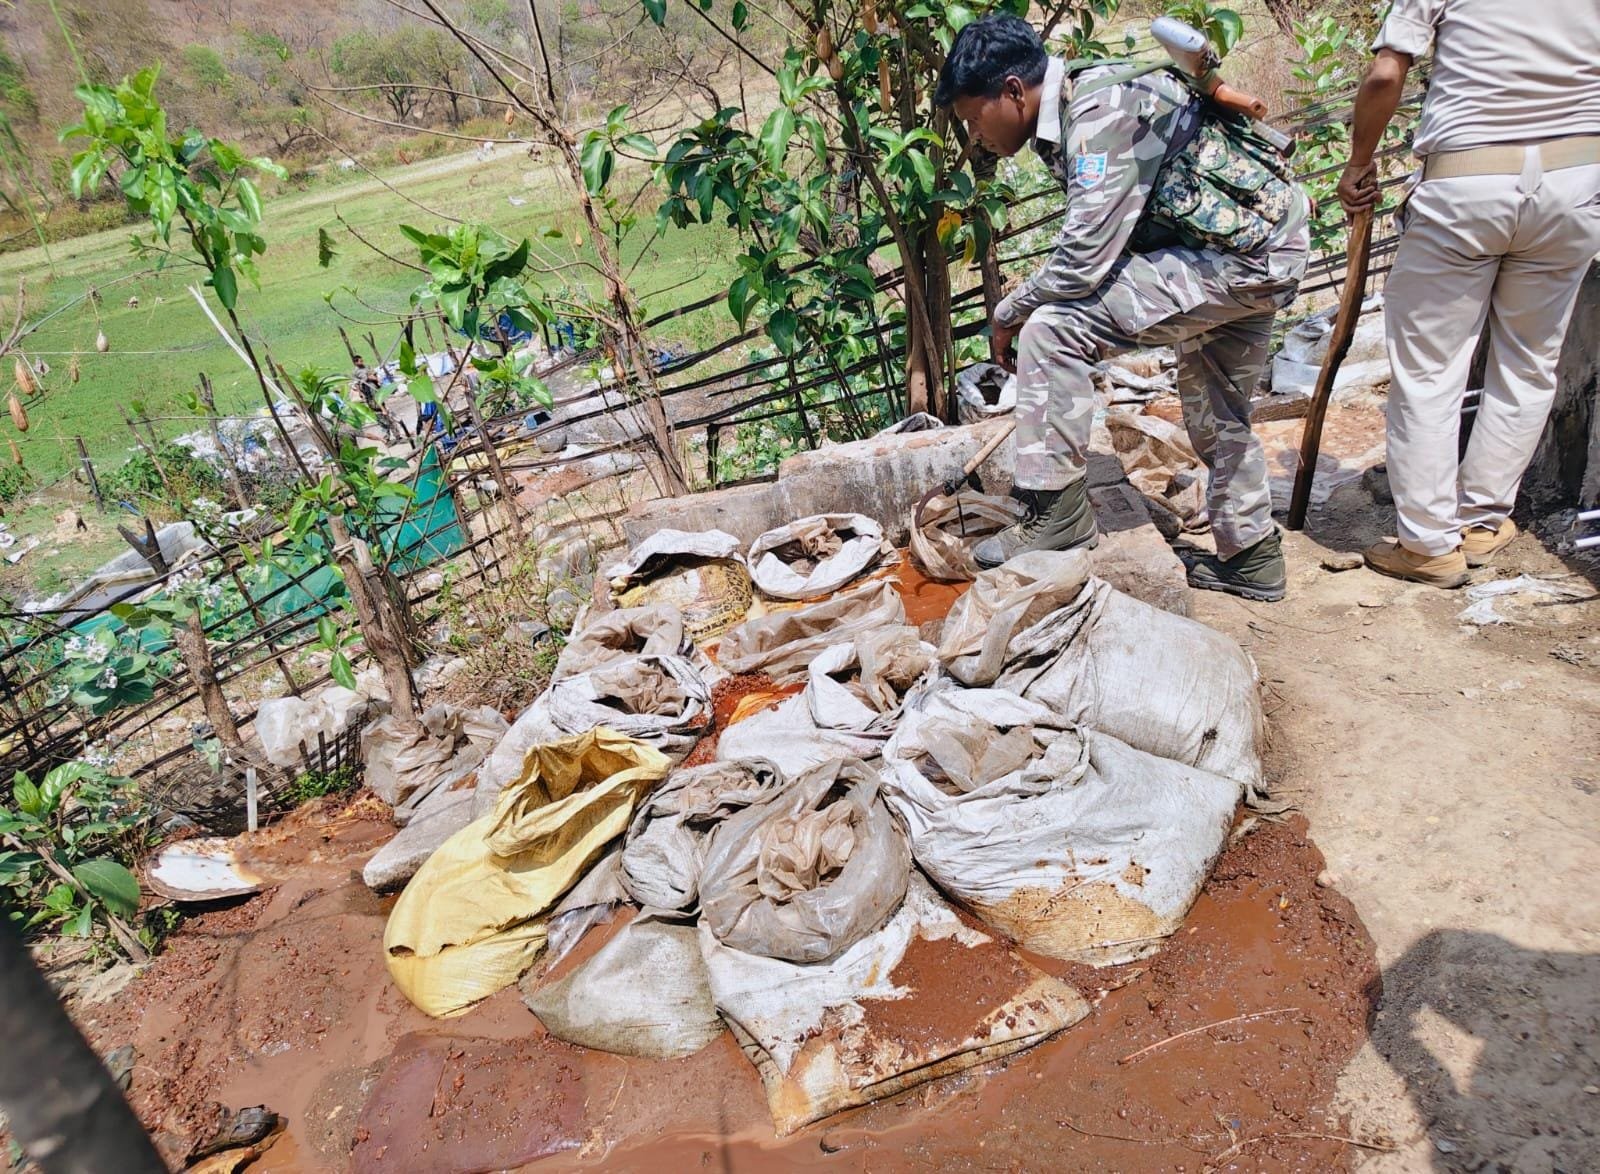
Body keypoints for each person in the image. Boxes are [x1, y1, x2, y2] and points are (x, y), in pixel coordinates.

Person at [936, 15, 1309, 600]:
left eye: (972, 117)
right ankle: (1254, 558)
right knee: (1217, 406)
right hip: (1257, 246)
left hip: (1243, 258)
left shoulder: (1101, 107)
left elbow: (1085, 257)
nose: (974, 134)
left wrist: (1009, 311)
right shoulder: (1084, 101)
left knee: (1053, 329)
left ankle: (1057, 516)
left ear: (1011, 91)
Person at [1339, 1, 1600, 588]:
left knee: (1431, 369)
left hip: (1467, 182)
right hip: (1575, 183)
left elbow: (1385, 75)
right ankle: (1482, 521)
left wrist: (1358, 163)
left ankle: (1429, 545)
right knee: (1531, 361)